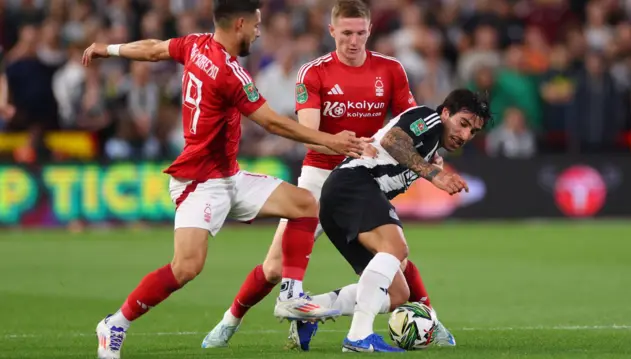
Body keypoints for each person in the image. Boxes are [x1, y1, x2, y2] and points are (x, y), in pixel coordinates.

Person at [81, 1, 370, 358]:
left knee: (305, 203)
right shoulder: (229, 71)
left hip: (228, 175)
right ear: (240, 25)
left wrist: (108, 49)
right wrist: (332, 140)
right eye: (257, 25)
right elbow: (272, 123)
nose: (259, 32)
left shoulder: (196, 44)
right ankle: (115, 324)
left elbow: (154, 49)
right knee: (186, 267)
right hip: (199, 181)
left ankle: (291, 294)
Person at [202, 0, 453, 352]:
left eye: (360, 33)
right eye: (346, 33)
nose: (353, 41)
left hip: (364, 180)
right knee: (274, 269)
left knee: (395, 256)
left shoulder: (391, 70)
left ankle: (431, 320)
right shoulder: (313, 73)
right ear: (332, 31)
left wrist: (429, 151)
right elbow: (309, 132)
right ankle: (229, 321)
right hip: (319, 180)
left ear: (370, 31)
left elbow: (410, 126)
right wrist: (348, 145)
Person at [320, 89, 491, 352]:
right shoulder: (428, 119)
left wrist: (430, 165)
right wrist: (433, 174)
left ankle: (311, 310)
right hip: (352, 184)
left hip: (342, 199)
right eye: (463, 124)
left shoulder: (433, 149)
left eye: (473, 131)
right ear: (446, 113)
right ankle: (357, 337)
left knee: (398, 294)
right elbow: (391, 140)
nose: (465, 135)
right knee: (396, 249)